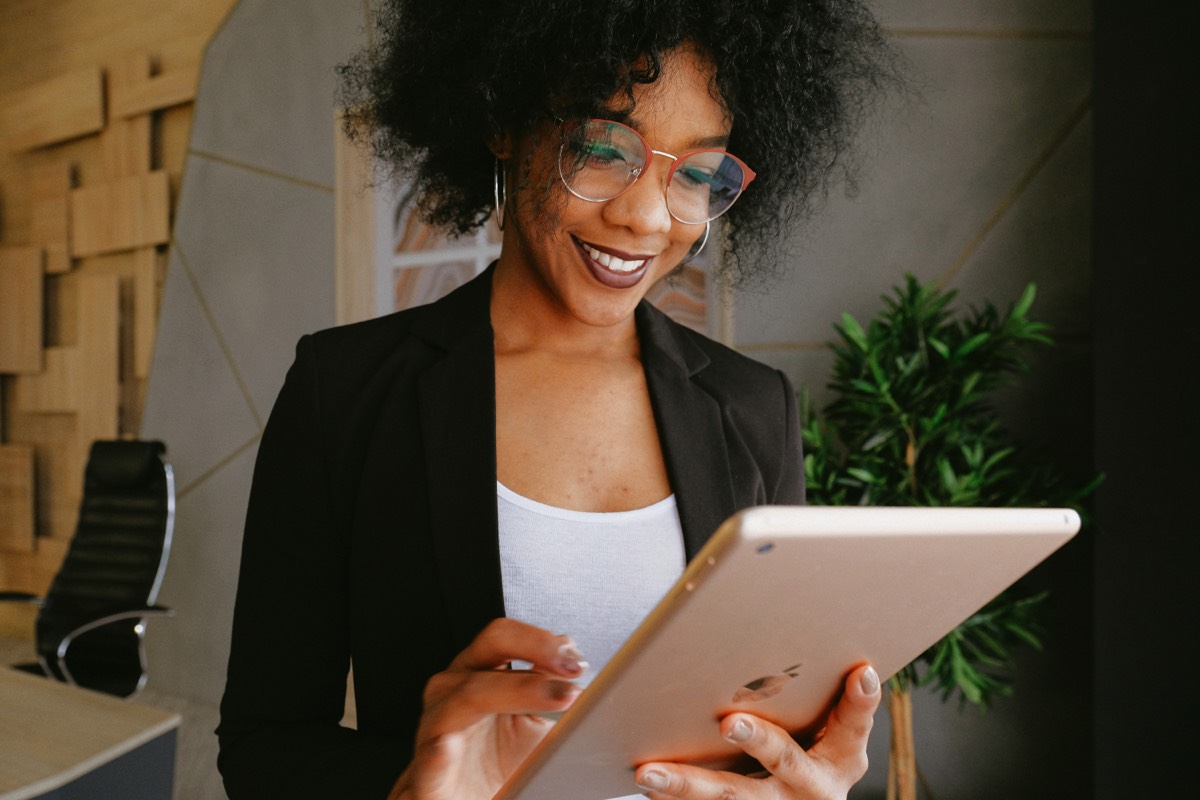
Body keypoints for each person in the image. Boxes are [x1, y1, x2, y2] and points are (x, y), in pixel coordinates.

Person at [217, 1, 896, 798]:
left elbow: (772, 725)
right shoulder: (348, 393)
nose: (646, 217)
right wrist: (411, 788)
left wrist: (813, 776)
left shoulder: (754, 409)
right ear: (503, 122)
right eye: (604, 150)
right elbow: (263, 747)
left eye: (699, 174)